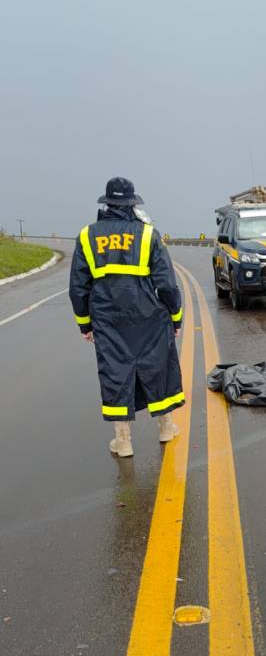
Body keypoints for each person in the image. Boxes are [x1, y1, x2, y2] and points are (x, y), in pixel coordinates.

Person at [69, 177, 184, 457]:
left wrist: (85, 323)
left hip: (107, 319)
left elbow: (78, 287)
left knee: (115, 373)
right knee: (158, 367)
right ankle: (166, 428)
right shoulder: (148, 234)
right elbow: (167, 284)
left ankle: (123, 442)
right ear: (132, 203)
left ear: (107, 203)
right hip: (148, 316)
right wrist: (175, 317)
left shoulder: (87, 235)